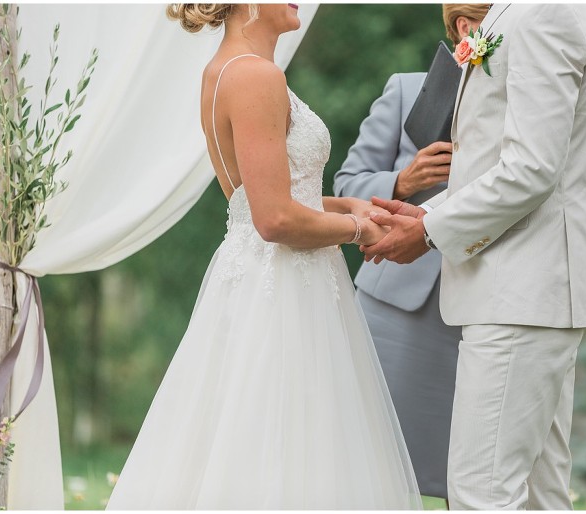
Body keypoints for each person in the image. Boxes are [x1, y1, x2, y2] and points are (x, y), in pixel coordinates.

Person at [334, 3, 586, 505]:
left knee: (482, 492)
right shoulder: (536, 14)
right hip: (517, 292)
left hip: (518, 292)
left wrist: (429, 232)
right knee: (538, 494)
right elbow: (516, 169)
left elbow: (532, 170)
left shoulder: (542, 15)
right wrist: (424, 217)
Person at [106, 4, 421, 509]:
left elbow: (259, 199)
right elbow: (274, 220)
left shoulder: (226, 69)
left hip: (265, 278)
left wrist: (352, 205)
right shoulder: (257, 75)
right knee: (288, 442)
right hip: (285, 289)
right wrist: (360, 228)